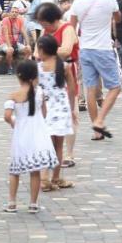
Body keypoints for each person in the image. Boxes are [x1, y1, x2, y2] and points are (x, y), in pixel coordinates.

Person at [69, 0, 122, 140]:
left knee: (90, 89)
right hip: (103, 49)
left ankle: (96, 131)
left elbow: (72, 26)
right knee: (115, 86)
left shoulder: (78, 2)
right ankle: (99, 120)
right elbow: (118, 18)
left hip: (85, 49)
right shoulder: (110, 0)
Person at [2, 59, 57, 214]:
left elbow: (7, 116)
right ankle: (33, 203)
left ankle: (12, 202)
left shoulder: (13, 96)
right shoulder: (40, 93)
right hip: (38, 134)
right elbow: (44, 113)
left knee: (15, 170)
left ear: (19, 76)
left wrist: (14, 123)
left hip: (21, 134)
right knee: (35, 171)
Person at [35, 31, 75, 192]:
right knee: (58, 145)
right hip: (61, 108)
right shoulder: (64, 66)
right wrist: (71, 109)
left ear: (43, 50)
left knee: (45, 145)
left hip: (44, 110)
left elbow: (34, 89)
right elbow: (71, 90)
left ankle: (44, 178)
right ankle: (56, 177)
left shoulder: (38, 68)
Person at [42, 2, 80, 167]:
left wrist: (48, 51)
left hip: (67, 68)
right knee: (48, 112)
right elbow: (38, 50)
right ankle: (51, 152)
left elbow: (66, 50)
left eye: (43, 23)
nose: (43, 27)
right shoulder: (46, 31)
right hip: (48, 72)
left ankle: (69, 154)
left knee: (71, 111)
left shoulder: (67, 28)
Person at [0, 4, 30, 71]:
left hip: (15, 43)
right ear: (9, 13)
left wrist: (28, 44)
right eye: (12, 12)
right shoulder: (5, 20)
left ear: (18, 14)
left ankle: (22, 67)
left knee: (28, 50)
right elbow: (6, 35)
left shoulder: (20, 20)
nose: (14, 13)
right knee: (10, 50)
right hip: (4, 42)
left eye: (16, 12)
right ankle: (9, 67)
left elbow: (24, 33)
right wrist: (9, 46)